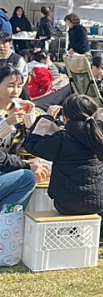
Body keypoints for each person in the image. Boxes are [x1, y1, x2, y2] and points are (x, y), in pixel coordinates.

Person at [24, 95, 103, 253]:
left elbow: (31, 144)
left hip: (66, 204)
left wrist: (47, 118)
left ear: (65, 118)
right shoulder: (99, 134)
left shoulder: (61, 139)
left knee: (80, 195)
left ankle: (74, 235)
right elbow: (97, 123)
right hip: (98, 202)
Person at [0, 66, 46, 209]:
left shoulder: (16, 110)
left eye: (19, 86)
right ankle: (6, 223)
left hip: (5, 169)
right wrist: (8, 123)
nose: (16, 91)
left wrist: (29, 117)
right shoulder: (8, 117)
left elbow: (34, 145)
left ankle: (7, 222)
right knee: (27, 178)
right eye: (10, 86)